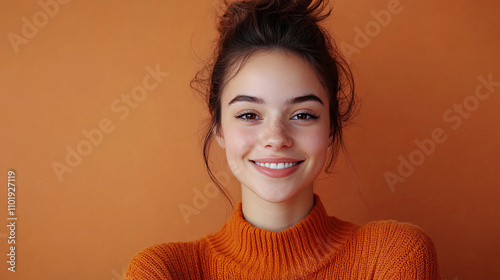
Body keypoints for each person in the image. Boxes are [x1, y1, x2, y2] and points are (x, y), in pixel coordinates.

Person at [125, 0, 441, 279]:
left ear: (331, 126)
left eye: (303, 115)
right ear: (218, 127)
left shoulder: (394, 256)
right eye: (249, 115)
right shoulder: (163, 271)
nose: (276, 138)